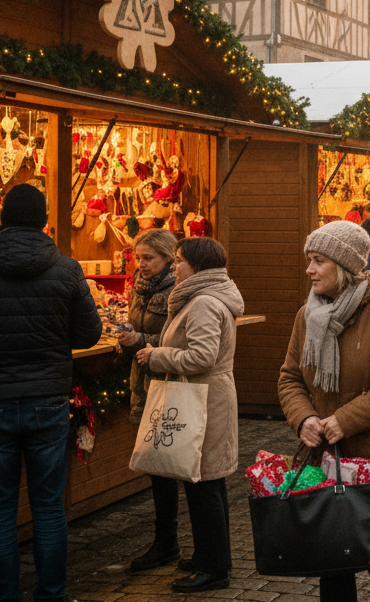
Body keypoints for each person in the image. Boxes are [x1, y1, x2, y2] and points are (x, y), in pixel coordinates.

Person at [0, 184, 101, 602]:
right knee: (48, 507)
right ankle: (51, 594)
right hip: (47, 399)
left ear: (3, 219)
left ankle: (3, 596)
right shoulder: (66, 269)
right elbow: (89, 334)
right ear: (43, 220)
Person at [278, 221, 370, 601]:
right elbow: (290, 378)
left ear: (343, 265)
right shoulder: (305, 316)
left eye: (318, 260)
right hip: (325, 459)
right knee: (332, 561)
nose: (309, 269)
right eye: (309, 260)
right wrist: (304, 418)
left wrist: (346, 418)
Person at [132, 238, 243, 593]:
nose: (175, 267)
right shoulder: (204, 297)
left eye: (179, 261)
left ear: (196, 266)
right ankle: (211, 557)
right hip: (206, 395)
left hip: (204, 397)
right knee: (209, 482)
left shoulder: (205, 303)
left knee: (205, 484)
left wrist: (156, 356)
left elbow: (201, 357)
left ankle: (213, 568)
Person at [120, 229, 186, 573]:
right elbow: (137, 325)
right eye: (138, 257)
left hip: (167, 382)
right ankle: (166, 541)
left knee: (165, 465)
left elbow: (177, 337)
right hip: (143, 382)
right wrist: (126, 336)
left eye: (148, 258)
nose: (141, 264)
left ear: (167, 259)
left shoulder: (176, 290)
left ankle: (167, 542)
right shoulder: (139, 286)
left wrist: (141, 338)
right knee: (156, 467)